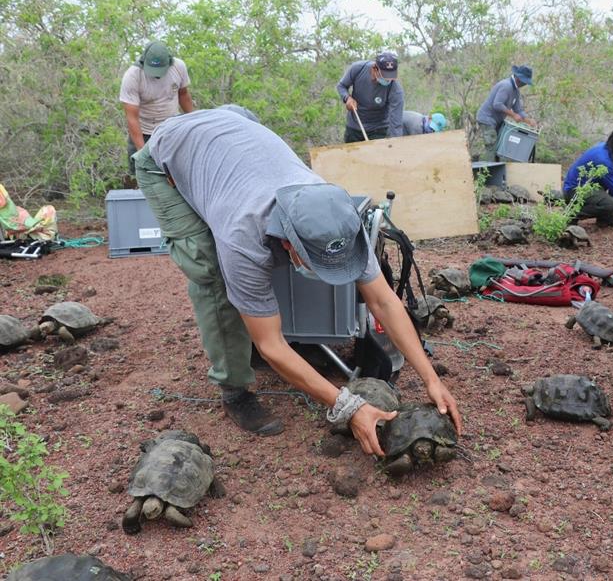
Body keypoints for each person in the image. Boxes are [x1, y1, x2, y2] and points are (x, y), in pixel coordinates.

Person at [131, 107, 462, 452]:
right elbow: (271, 346)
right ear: (288, 242)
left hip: (234, 125)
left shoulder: (337, 215)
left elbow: (383, 301)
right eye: (316, 261)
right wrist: (348, 406)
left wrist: (430, 377)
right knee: (212, 272)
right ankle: (234, 389)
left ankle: (275, 332)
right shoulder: (242, 237)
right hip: (166, 154)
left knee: (259, 287)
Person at [119, 41, 193, 175]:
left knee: (177, 175)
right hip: (144, 133)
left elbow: (184, 95)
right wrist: (142, 153)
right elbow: (132, 118)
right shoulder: (132, 76)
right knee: (143, 176)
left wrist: (194, 122)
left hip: (171, 130)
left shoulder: (178, 67)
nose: (157, 75)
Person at [562, 122, 613, 227]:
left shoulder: (610, 151)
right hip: (575, 192)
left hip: (592, 187)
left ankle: (606, 217)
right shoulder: (603, 160)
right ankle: (572, 214)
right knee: (611, 204)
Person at [336, 52, 405, 143]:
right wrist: (347, 98)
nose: (388, 80)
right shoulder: (358, 69)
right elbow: (341, 86)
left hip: (379, 130)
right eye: (384, 76)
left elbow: (396, 123)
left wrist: (395, 144)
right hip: (354, 127)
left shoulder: (396, 90)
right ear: (374, 68)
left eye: (390, 76)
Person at [473, 65, 537, 161]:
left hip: (496, 121)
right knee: (491, 145)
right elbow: (497, 104)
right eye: (525, 81)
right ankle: (485, 173)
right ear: (519, 78)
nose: (525, 84)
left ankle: (494, 170)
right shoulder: (506, 86)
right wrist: (513, 115)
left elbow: (518, 109)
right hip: (487, 119)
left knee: (501, 145)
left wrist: (529, 120)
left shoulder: (516, 91)